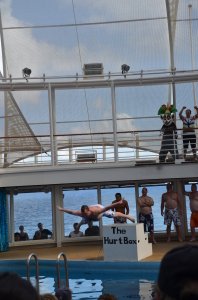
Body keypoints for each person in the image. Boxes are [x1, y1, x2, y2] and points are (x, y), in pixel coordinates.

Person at [57, 200, 135, 229]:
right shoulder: (81, 213)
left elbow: (107, 207)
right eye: (83, 213)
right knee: (84, 220)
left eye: (86, 213)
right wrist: (61, 209)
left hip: (99, 211)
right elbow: (71, 212)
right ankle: (79, 225)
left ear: (88, 211)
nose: (85, 214)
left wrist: (118, 203)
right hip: (91, 217)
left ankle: (128, 217)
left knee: (111, 214)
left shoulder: (96, 211)